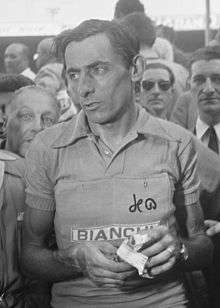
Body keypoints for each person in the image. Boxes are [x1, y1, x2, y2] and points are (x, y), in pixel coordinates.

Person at [22, 19, 212, 308]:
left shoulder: (176, 142)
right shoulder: (48, 147)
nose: (83, 88)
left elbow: (203, 245)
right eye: (73, 74)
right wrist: (73, 259)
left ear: (135, 70)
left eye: (98, 69)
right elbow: (29, 255)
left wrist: (179, 250)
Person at [0, 84, 60, 307]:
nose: (38, 127)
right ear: (5, 123)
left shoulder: (64, 179)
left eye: (48, 120)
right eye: (26, 116)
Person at [34, 37, 77, 120]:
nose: (37, 59)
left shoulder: (48, 70)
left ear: (46, 55)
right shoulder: (66, 69)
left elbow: (41, 98)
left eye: (38, 54)